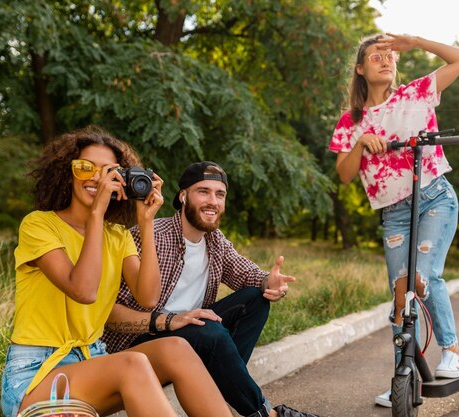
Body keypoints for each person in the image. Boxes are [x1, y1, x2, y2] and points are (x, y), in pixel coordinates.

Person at [0, 127, 232, 417]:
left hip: (92, 363)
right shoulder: (39, 225)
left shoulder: (117, 236)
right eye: (85, 168)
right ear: (67, 173)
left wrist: (146, 222)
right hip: (36, 376)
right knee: (131, 364)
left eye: (108, 170)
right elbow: (83, 290)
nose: (96, 177)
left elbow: (148, 298)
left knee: (177, 348)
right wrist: (96, 213)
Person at [102, 161, 320, 417]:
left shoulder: (215, 242)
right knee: (211, 331)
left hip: (192, 334)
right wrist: (169, 321)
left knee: (255, 299)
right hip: (141, 341)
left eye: (220, 194)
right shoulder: (148, 234)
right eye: (203, 191)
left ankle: (219, 386)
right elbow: (108, 315)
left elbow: (248, 275)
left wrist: (269, 283)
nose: (213, 201)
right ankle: (267, 414)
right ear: (183, 196)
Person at [329, 33, 459, 408]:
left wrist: (417, 41)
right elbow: (344, 175)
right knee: (399, 293)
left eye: (389, 55)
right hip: (394, 214)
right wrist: (362, 142)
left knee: (424, 278)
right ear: (360, 69)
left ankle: (451, 351)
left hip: (435, 198)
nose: (385, 59)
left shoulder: (416, 93)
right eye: (375, 56)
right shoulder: (352, 121)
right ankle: (403, 378)